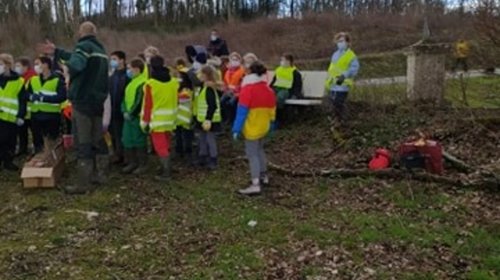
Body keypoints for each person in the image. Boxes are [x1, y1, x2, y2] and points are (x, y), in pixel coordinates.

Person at [39, 21, 109, 194]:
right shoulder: (101, 51)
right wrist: (57, 52)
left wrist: (66, 68)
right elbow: (77, 57)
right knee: (97, 138)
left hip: (83, 101)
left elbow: (76, 63)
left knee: (83, 142)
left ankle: (83, 184)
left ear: (81, 33)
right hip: (97, 101)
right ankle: (101, 175)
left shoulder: (83, 47)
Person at [232, 62, 276, 195]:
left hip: (252, 127)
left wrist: (236, 129)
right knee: (260, 150)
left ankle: (255, 183)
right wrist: (272, 125)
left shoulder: (247, 89)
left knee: (252, 155)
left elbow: (242, 112)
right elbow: (272, 111)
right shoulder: (268, 90)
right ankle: (264, 176)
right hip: (264, 126)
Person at [141, 55, 179, 181]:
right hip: (171, 117)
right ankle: (168, 166)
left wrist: (145, 121)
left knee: (160, 146)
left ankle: (166, 172)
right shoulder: (173, 82)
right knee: (167, 143)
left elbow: (147, 104)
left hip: (157, 119)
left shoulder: (150, 84)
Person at [27, 56, 67, 155]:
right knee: (37, 140)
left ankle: (52, 160)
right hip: (36, 114)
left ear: (46, 65)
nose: (36, 66)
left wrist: (43, 98)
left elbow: (62, 97)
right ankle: (38, 157)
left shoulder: (57, 80)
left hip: (51, 115)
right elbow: (26, 94)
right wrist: (31, 97)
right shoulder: (33, 80)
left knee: (52, 140)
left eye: (38, 63)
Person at [325, 32, 360, 125]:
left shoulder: (351, 55)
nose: (340, 43)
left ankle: (343, 120)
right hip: (333, 83)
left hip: (343, 83)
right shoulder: (335, 54)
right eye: (338, 41)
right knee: (333, 103)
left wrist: (344, 75)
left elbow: (354, 68)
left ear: (348, 42)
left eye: (342, 41)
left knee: (339, 102)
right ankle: (337, 120)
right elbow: (332, 68)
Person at [0, 53, 27, 171]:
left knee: (9, 140)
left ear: (7, 65)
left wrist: (21, 115)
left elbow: (22, 100)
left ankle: (8, 161)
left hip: (11, 116)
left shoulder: (19, 81)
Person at [121, 58, 148, 174]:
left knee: (138, 140)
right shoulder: (131, 83)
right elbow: (124, 99)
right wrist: (123, 110)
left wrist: (131, 113)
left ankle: (142, 164)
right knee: (127, 139)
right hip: (128, 117)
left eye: (129, 68)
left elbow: (140, 101)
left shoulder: (142, 83)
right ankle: (132, 162)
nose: (128, 71)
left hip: (136, 117)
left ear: (137, 69)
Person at [194, 65, 221, 170]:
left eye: (201, 74)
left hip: (210, 120)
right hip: (202, 119)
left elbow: (212, 105)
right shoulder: (202, 87)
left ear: (206, 75)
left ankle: (213, 159)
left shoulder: (209, 89)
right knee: (202, 139)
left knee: (210, 140)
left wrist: (208, 119)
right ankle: (202, 157)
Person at [108, 50, 129, 164]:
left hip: (122, 109)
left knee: (122, 134)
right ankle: (117, 154)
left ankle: (125, 155)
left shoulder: (127, 75)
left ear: (122, 60)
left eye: (115, 59)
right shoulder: (112, 76)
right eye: (111, 59)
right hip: (112, 109)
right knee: (114, 133)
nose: (112, 62)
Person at [270, 53, 303, 124]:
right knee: (268, 96)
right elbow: (273, 81)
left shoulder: (295, 72)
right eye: (281, 60)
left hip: (287, 90)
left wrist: (295, 95)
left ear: (289, 61)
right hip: (276, 88)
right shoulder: (278, 70)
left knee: (279, 98)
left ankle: (279, 117)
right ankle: (269, 116)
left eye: (284, 60)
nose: (282, 62)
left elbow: (298, 86)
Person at [14, 57, 37, 156]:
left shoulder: (33, 78)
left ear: (26, 67)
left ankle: (36, 149)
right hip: (22, 112)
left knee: (35, 133)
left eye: (18, 66)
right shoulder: (18, 79)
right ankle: (23, 149)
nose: (16, 68)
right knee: (22, 133)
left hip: (32, 111)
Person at [174, 57, 195, 161]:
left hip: (184, 117)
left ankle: (187, 153)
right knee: (180, 136)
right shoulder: (185, 88)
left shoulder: (186, 90)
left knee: (186, 137)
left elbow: (181, 99)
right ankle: (180, 151)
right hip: (181, 117)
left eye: (180, 76)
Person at [221, 52, 245, 125]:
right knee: (222, 101)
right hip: (228, 91)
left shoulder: (242, 71)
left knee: (232, 103)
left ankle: (234, 119)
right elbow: (225, 82)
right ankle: (228, 118)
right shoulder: (227, 72)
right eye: (232, 59)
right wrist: (225, 89)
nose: (234, 61)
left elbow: (242, 84)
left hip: (238, 92)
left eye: (236, 59)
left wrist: (235, 90)